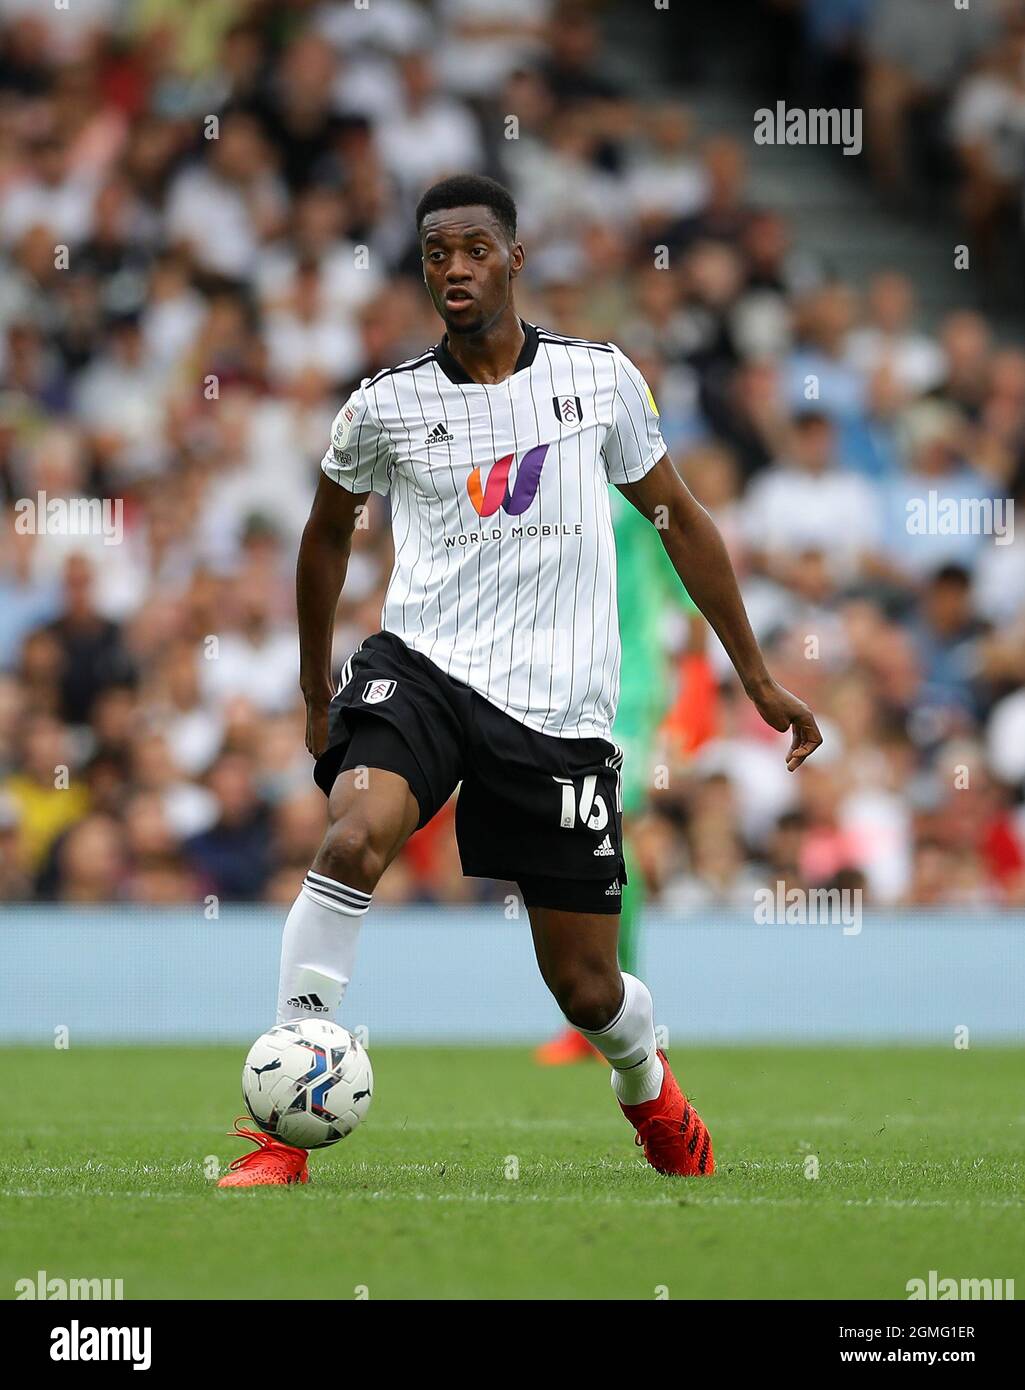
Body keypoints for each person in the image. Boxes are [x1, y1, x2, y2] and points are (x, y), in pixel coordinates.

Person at [218, 174, 822, 1188]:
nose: (452, 267)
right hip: (419, 670)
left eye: (472, 248)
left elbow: (680, 519)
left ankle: (648, 1085)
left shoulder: (600, 380)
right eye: (435, 253)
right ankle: (286, 1129)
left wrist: (754, 676)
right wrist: (321, 688)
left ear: (514, 257)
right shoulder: (385, 403)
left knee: (584, 988)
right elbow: (325, 539)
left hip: (558, 714)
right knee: (352, 833)